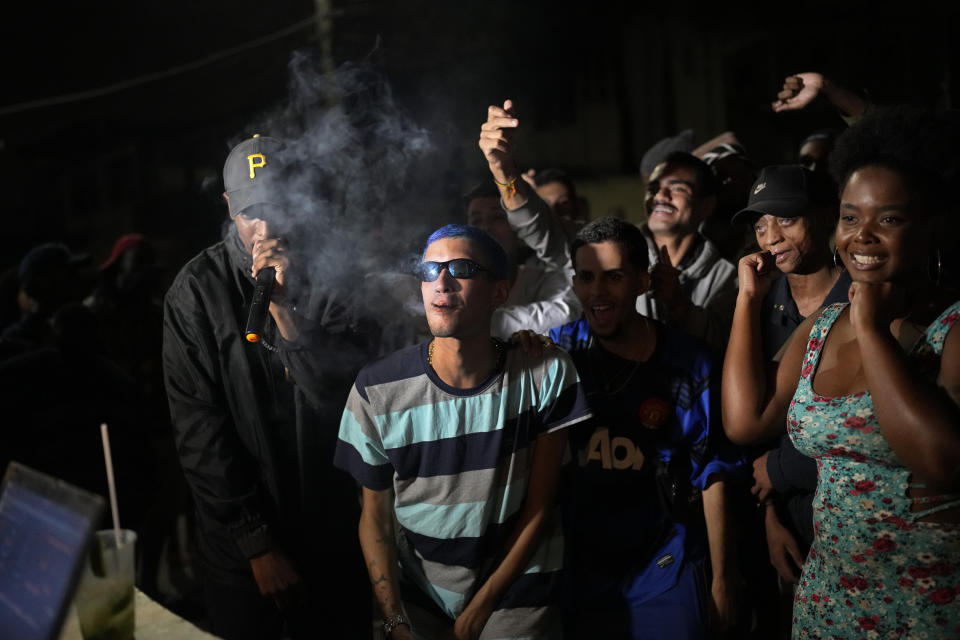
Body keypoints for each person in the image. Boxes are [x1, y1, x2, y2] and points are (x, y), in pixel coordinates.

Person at [723, 107, 960, 638]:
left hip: (924, 607)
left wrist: (872, 330)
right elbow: (747, 422)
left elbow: (942, 460)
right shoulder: (825, 324)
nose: (863, 236)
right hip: (828, 602)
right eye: (851, 218)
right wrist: (747, 299)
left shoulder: (952, 327)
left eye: (889, 219)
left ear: (931, 226)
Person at [334, 224, 591, 640]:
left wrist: (477, 613)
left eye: (463, 268)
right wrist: (396, 620)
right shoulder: (376, 388)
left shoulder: (544, 372)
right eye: (430, 269)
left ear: (499, 293)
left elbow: (540, 510)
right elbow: (375, 521)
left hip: (517, 594)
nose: (442, 281)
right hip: (420, 595)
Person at [162, 135, 369, 639]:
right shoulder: (195, 293)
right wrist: (255, 542)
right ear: (230, 208)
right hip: (241, 555)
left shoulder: (338, 280)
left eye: (280, 207)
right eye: (253, 211)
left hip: (333, 534)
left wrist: (284, 308)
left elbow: (347, 404)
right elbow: (200, 432)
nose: (267, 228)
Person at [548, 217, 745, 639]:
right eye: (586, 277)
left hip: (664, 569)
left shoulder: (691, 364)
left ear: (642, 281)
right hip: (578, 573)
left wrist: (723, 580)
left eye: (613, 277)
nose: (597, 292)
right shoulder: (556, 355)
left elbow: (714, 473)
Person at [479, 100, 737, 351]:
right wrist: (503, 170)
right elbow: (540, 229)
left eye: (677, 188)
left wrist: (680, 306)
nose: (661, 196)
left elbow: (728, 343)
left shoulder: (728, 275)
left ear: (706, 206)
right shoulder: (607, 245)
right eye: (654, 188)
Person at [727, 165, 848, 637]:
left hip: (852, 515)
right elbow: (746, 428)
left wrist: (782, 470)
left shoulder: (859, 300)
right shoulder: (760, 301)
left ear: (822, 217)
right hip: (787, 519)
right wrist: (771, 514)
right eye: (760, 224)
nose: (771, 236)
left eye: (785, 219)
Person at [465, 182, 580, 338]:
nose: (485, 228)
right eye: (476, 221)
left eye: (497, 217)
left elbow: (566, 313)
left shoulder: (542, 278)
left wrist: (467, 321)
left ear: (520, 232)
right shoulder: (454, 283)